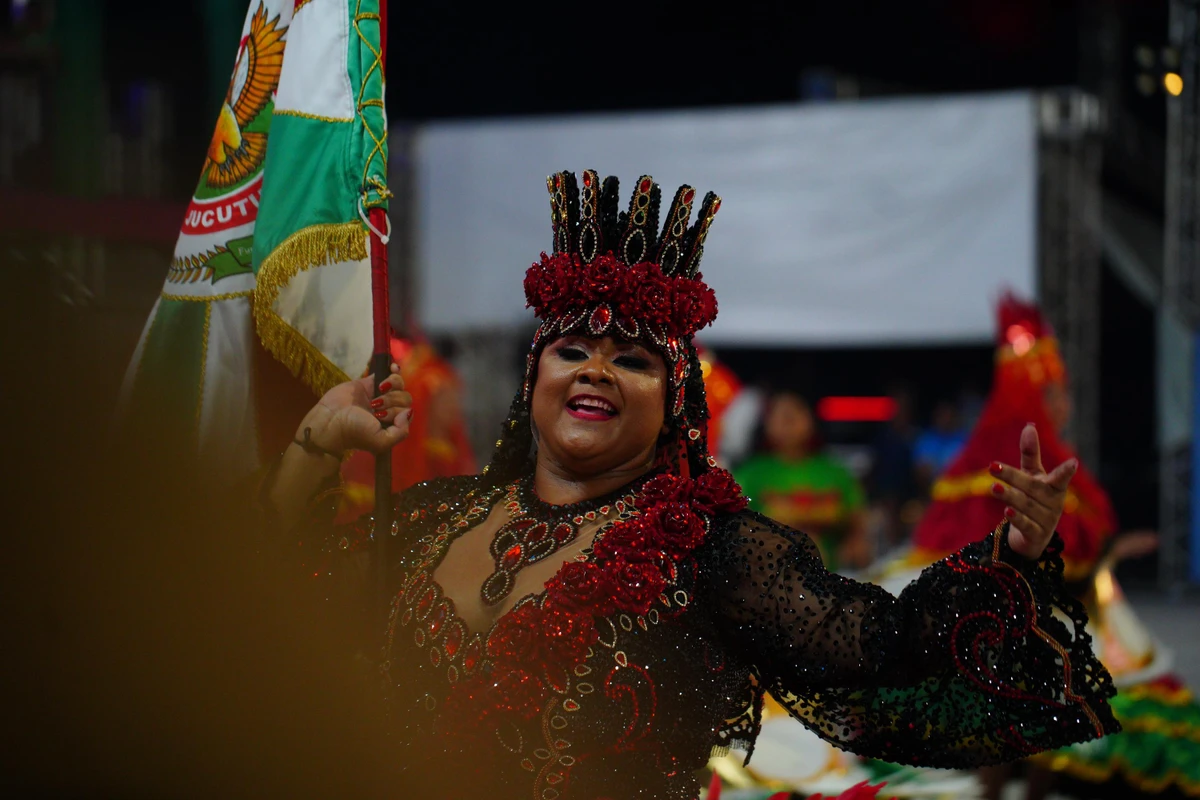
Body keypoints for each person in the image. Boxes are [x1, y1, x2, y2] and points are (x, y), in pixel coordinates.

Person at [262, 172, 1117, 800]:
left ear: (675, 400)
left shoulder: (714, 554)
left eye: (632, 359)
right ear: (534, 378)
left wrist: (1012, 552)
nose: (595, 370)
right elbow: (275, 600)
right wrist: (316, 442)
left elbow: (884, 646)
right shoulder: (436, 518)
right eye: (571, 349)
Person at [878, 293, 1197, 800]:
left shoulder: (1037, 463)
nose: (1066, 406)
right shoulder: (1012, 467)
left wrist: (1110, 551)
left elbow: (1074, 551)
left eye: (1065, 395)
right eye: (1055, 395)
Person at [335, 332, 476, 523]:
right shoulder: (400, 451)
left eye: (455, 398)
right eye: (446, 399)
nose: (455, 407)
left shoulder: (447, 450)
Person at [734, 390, 871, 572]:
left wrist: (855, 543)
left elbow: (857, 521)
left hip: (831, 576)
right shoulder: (750, 474)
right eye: (780, 415)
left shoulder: (834, 472)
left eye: (795, 413)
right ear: (766, 423)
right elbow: (734, 529)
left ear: (811, 418)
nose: (788, 422)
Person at [911, 399, 966, 494]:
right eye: (942, 415)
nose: (946, 419)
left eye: (948, 415)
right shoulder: (926, 440)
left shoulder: (963, 440)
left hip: (957, 491)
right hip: (930, 491)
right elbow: (920, 472)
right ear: (936, 416)